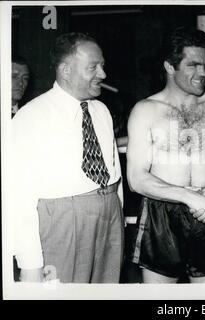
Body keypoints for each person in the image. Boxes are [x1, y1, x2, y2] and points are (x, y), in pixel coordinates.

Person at [126, 27, 205, 283]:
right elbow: (136, 178)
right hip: (161, 213)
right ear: (170, 67)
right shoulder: (146, 110)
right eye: (193, 65)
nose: (203, 73)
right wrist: (188, 196)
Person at [12, 32, 123, 283]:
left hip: (109, 217)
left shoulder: (101, 110)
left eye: (103, 66)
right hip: (62, 223)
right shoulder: (31, 117)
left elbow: (113, 171)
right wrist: (29, 262)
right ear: (65, 70)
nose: (103, 75)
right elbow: (18, 195)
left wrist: (117, 213)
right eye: (93, 67)